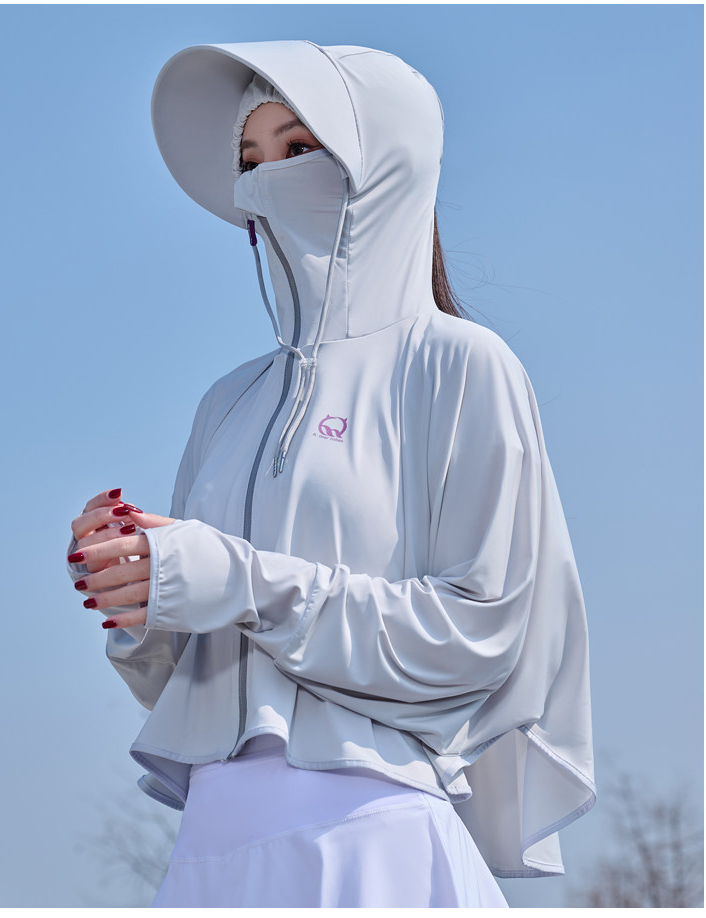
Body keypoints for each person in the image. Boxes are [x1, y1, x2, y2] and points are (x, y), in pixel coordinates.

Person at [68, 41, 595, 907]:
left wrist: (236, 580)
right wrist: (140, 596)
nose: (265, 180)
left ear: (383, 165)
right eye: (249, 160)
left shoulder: (459, 366)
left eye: (298, 147)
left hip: (372, 834)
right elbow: (191, 680)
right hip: (210, 852)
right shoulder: (227, 403)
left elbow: (478, 636)